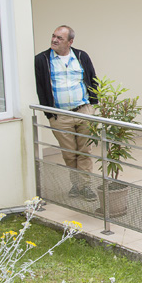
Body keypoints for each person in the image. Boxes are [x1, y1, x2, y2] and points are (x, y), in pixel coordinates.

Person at [35, 25, 98, 201]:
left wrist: (93, 105)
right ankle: (76, 184)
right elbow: (41, 87)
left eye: (59, 38)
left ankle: (84, 186)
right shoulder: (42, 59)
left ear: (70, 42)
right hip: (60, 115)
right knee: (69, 153)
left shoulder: (81, 56)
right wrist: (49, 114)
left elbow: (93, 78)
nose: (54, 40)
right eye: (53, 36)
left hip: (84, 111)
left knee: (85, 151)